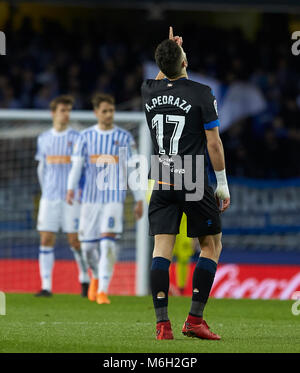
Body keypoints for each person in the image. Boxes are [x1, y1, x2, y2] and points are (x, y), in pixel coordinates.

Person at [141, 27, 230, 340]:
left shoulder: (148, 88)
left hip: (162, 172)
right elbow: (214, 144)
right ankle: (194, 319)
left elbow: (162, 76)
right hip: (191, 174)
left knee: (161, 248)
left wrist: (168, 50)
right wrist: (222, 183)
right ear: (183, 60)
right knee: (211, 244)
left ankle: (162, 325)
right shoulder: (201, 92)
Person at [66, 93, 143, 305]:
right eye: (105, 111)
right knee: (87, 247)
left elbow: (132, 171)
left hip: (114, 199)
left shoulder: (125, 138)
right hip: (89, 200)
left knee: (108, 244)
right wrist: (71, 188)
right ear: (96, 113)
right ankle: (96, 277)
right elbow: (76, 167)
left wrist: (138, 199)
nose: (109, 115)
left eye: (111, 111)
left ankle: (102, 290)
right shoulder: (85, 137)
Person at [35, 95, 90, 297]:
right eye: (62, 110)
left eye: (68, 110)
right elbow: (42, 168)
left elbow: (84, 169)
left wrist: (81, 192)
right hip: (49, 198)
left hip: (72, 199)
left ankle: (84, 278)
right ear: (53, 113)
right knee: (46, 238)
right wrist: (46, 191)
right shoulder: (43, 139)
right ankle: (46, 286)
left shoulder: (77, 138)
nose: (66, 114)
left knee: (74, 241)